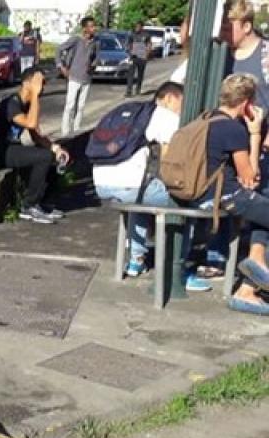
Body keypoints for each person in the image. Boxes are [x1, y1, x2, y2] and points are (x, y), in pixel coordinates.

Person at [189, 73, 269, 315]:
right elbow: (250, 178)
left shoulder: (206, 119)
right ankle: (249, 284)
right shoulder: (233, 129)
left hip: (198, 194)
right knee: (261, 202)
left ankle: (250, 283)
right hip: (225, 197)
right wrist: (255, 133)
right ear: (246, 103)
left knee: (263, 212)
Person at [93, 82, 183, 278]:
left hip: (101, 186)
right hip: (130, 187)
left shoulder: (132, 111)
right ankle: (181, 268)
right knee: (187, 203)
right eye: (181, 104)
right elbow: (169, 161)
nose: (181, 111)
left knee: (141, 198)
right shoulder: (164, 115)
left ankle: (136, 260)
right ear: (170, 98)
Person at [0, 67, 69, 223]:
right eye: (39, 83)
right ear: (27, 83)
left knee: (51, 156)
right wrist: (36, 95)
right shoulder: (12, 104)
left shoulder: (26, 104)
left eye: (43, 83)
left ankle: (41, 203)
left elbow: (36, 136)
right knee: (44, 157)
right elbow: (31, 123)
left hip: (12, 148)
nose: (42, 88)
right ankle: (28, 206)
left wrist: (56, 149)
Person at [58, 16, 99, 136]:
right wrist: (61, 66)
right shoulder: (76, 40)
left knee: (80, 107)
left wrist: (93, 65)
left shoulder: (95, 42)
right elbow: (59, 49)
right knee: (70, 105)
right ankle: (65, 132)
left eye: (94, 26)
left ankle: (76, 130)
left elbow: (96, 58)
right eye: (91, 26)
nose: (94, 28)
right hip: (74, 77)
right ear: (85, 28)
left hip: (86, 78)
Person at [126, 22, 152, 97]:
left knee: (140, 75)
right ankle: (129, 91)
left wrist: (147, 55)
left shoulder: (146, 35)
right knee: (130, 74)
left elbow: (149, 45)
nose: (136, 28)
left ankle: (138, 89)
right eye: (136, 26)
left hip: (142, 58)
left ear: (142, 27)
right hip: (133, 57)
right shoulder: (132, 35)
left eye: (138, 26)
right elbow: (128, 44)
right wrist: (130, 52)